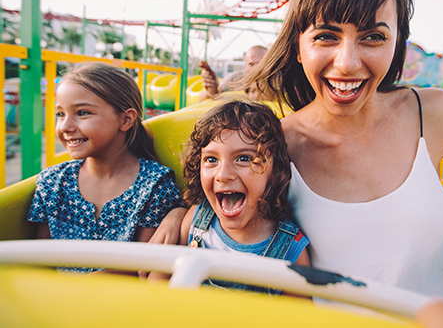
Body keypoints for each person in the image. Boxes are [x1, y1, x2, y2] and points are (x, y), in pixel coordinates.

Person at [246, 0, 443, 300]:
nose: (347, 62)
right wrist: (182, 215)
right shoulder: (273, 147)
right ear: (298, 47)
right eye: (325, 36)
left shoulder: (435, 114)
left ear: (398, 43)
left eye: (372, 37)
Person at [27, 62, 184, 272]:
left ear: (126, 119)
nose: (65, 126)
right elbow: (40, 262)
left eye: (82, 113)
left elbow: (141, 270)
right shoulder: (52, 182)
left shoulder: (155, 184)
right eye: (61, 114)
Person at [152, 100, 310, 293]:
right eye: (211, 159)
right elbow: (159, 278)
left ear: (275, 169)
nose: (223, 174)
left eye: (244, 158)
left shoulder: (290, 250)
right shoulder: (196, 219)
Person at [198, 45, 267, 102]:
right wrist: (213, 90)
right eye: (251, 64)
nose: (257, 68)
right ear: (245, 64)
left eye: (261, 63)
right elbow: (206, 96)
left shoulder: (276, 81)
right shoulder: (236, 78)